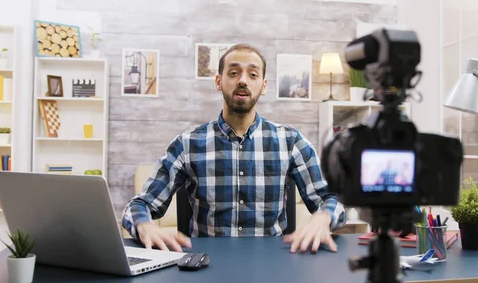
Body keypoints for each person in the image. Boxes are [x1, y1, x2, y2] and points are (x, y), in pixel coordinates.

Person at [122, 44, 346, 254]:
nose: (243, 81)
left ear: (264, 86)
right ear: (218, 82)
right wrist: (144, 225)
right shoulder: (187, 144)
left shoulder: (291, 142)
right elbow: (139, 204)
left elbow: (331, 199)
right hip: (206, 267)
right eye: (233, 73)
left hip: (272, 267)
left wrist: (323, 217)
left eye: (253, 74)